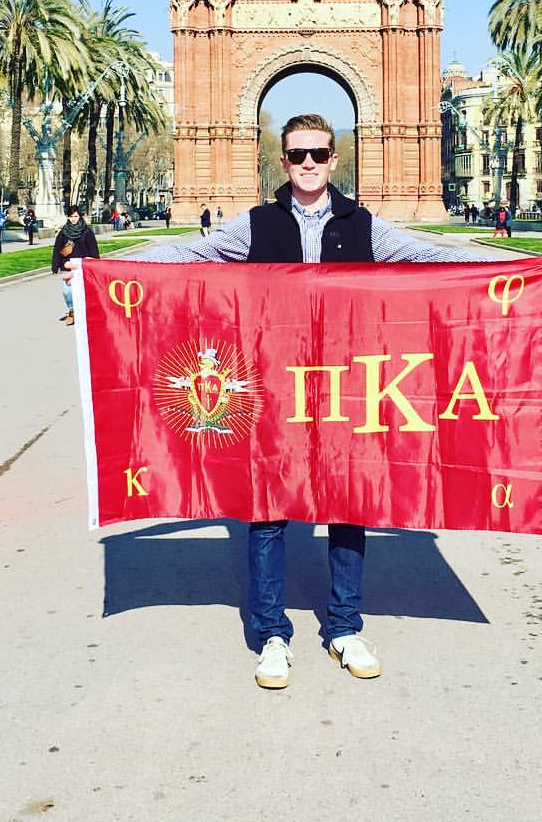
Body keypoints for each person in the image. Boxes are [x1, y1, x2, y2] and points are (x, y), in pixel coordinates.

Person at [91, 113, 490, 691]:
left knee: (350, 504)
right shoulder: (255, 224)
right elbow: (192, 254)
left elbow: (422, 255)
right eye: (298, 154)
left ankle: (345, 626)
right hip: (272, 392)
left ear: (335, 158)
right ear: (283, 161)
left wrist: (507, 267)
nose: (309, 164)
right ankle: (272, 632)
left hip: (345, 387)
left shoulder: (365, 226)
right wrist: (105, 266)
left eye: (319, 154)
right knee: (266, 508)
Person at [51, 204, 100, 326]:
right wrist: (55, 265)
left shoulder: (87, 231)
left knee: (84, 291)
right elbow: (57, 249)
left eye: (76, 216)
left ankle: (83, 312)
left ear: (80, 216)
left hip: (83, 266)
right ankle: (72, 310)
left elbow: (93, 249)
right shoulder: (64, 232)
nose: (73, 219)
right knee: (67, 291)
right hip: (67, 265)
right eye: (71, 216)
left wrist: (96, 264)